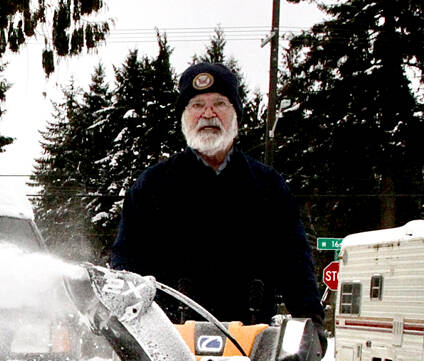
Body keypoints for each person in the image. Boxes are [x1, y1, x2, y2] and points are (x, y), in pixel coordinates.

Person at [110, 62, 325, 326]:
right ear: (184, 117)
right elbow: (126, 263)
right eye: (197, 105)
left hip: (251, 340)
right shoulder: (151, 187)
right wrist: (119, 312)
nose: (208, 113)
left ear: (236, 115)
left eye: (220, 103)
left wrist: (310, 318)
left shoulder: (268, 186)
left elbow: (294, 261)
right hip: (167, 340)